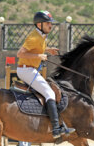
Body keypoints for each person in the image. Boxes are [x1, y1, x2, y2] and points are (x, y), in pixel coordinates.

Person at [16, 10, 75, 139]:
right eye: (48, 23)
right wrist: (39, 56)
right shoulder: (34, 37)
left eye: (51, 23)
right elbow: (20, 54)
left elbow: (37, 48)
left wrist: (48, 50)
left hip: (30, 69)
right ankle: (56, 129)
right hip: (26, 70)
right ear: (39, 25)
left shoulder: (41, 36)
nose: (51, 25)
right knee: (50, 93)